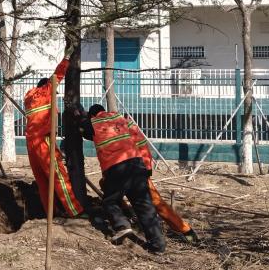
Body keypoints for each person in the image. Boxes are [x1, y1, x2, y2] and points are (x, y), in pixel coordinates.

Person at [86, 103, 165, 253]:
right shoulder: (121, 118)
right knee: (144, 205)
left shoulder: (93, 123)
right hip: (137, 164)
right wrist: (147, 168)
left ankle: (122, 226)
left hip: (116, 168)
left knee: (110, 200)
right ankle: (158, 245)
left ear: (92, 115)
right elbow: (141, 141)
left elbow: (82, 129)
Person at [23, 55, 83, 218]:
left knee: (43, 180)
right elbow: (58, 74)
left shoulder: (29, 97)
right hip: (44, 141)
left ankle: (53, 212)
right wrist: (67, 58)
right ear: (47, 87)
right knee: (59, 176)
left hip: (31, 143)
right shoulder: (46, 91)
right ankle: (75, 211)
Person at [124, 113, 199, 244]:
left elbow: (141, 151)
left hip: (137, 171)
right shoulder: (126, 127)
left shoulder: (122, 129)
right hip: (133, 170)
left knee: (156, 202)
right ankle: (130, 216)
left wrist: (145, 170)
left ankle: (186, 231)